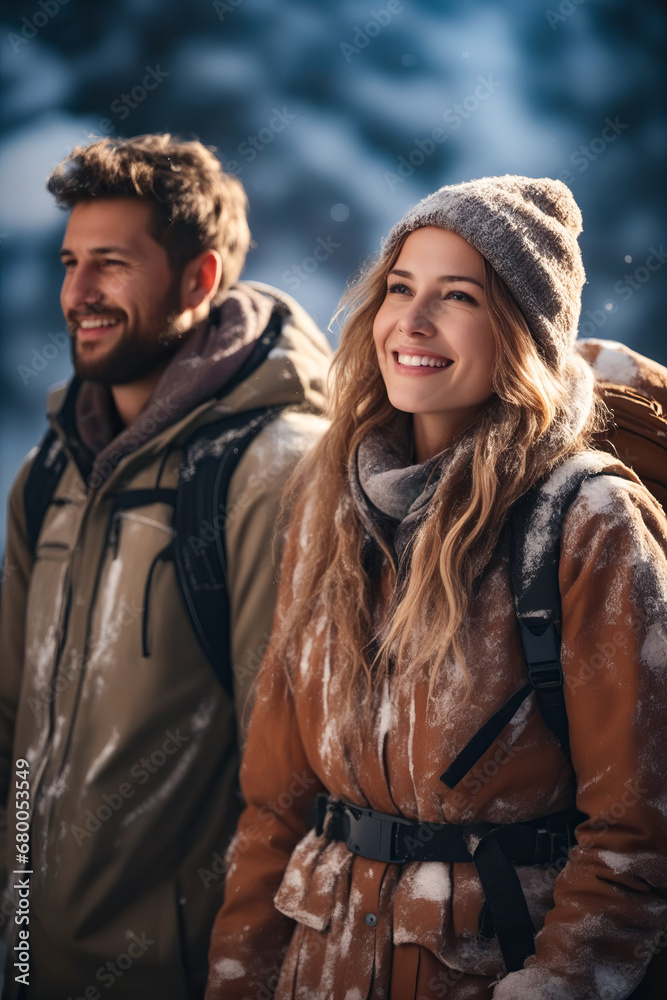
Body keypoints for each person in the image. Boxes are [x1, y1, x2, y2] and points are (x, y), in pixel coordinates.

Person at [205, 176, 667, 999]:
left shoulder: (587, 520)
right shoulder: (325, 499)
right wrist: (238, 978)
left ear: (521, 333)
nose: (410, 324)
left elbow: (636, 836)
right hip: (316, 969)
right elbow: (275, 804)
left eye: (455, 297)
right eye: (397, 289)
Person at [0, 133, 331, 999]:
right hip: (30, 964)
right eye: (71, 262)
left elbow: (293, 776)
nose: (78, 294)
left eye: (111, 264)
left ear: (199, 280)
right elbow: (12, 722)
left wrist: (239, 974)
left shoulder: (274, 472)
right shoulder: (50, 471)